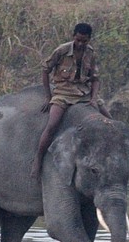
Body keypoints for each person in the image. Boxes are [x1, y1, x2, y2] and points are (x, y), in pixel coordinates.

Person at [31, 22, 111, 179]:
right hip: (63, 92)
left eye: (85, 41)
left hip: (84, 92)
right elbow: (45, 70)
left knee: (110, 121)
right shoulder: (61, 50)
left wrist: (94, 99)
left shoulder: (91, 53)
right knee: (52, 124)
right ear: (74, 36)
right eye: (78, 40)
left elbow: (95, 79)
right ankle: (38, 159)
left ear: (89, 39)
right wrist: (49, 96)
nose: (81, 44)